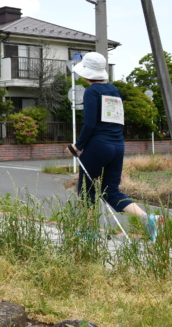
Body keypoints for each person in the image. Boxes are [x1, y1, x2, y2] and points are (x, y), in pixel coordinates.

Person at [70, 52, 163, 242]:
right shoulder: (113, 90)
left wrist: (77, 145)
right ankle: (148, 219)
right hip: (117, 145)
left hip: (97, 146)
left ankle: (89, 232)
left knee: (86, 190)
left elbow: (89, 124)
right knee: (111, 190)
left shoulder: (91, 91)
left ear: (86, 73)